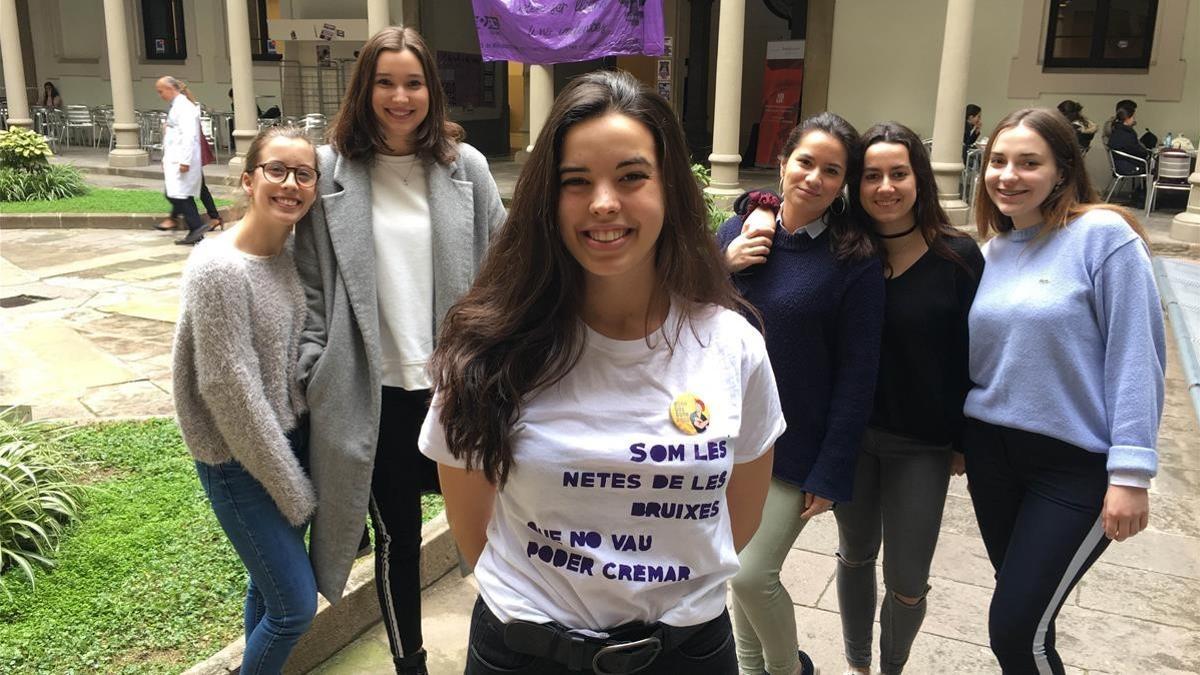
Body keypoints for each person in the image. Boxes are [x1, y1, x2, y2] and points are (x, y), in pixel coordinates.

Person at [420, 69, 784, 674]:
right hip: (525, 654)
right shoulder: (489, 347)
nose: (604, 203)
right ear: (547, 200)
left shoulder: (732, 344)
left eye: (632, 176)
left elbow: (740, 517)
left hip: (687, 655)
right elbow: (472, 529)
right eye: (576, 182)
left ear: (668, 187)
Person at [294, 26, 506, 675]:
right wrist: (312, 367)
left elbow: (506, 261)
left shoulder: (462, 168)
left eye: (412, 82)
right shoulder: (331, 170)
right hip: (373, 391)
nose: (399, 95)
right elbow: (305, 281)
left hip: (455, 386)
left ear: (430, 91)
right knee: (399, 538)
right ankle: (409, 662)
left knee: (494, 523)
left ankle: (506, 644)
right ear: (365, 88)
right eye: (385, 81)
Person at [966, 107, 1165, 674]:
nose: (1009, 175)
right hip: (992, 457)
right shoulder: (990, 252)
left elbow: (1136, 355)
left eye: (1030, 163)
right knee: (1029, 618)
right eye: (998, 161)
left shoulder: (1103, 236)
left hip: (1073, 466)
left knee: (1013, 631)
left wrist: (1131, 473)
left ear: (1062, 170)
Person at [718, 112, 885, 675]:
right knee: (732, 569)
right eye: (806, 162)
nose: (814, 178)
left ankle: (790, 670)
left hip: (796, 448)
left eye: (832, 171)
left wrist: (831, 469)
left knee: (751, 573)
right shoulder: (736, 233)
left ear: (843, 184)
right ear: (784, 161)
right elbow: (687, 316)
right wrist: (724, 265)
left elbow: (859, 372)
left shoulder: (851, 259)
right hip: (726, 440)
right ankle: (750, 669)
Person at [832, 122, 983, 675]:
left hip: (922, 445)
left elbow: (975, 356)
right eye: (871, 175)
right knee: (853, 555)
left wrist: (965, 442)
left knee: (908, 578)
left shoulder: (959, 258)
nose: (886, 187)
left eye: (899, 173)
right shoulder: (845, 251)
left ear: (919, 178)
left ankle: (892, 667)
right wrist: (752, 207)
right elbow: (788, 204)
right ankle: (858, 665)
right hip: (852, 441)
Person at [172, 125, 322, 674]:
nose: (290, 184)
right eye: (277, 170)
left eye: (303, 174)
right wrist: (296, 492)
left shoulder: (292, 255)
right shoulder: (218, 269)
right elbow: (229, 392)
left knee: (268, 591)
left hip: (289, 442)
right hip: (238, 459)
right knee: (294, 608)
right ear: (249, 179)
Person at [157, 81, 224, 233]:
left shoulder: (186, 107)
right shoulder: (178, 107)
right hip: (183, 153)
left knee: (191, 189)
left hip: (189, 152)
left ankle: (205, 221)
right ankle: (199, 220)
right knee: (189, 189)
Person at [154, 76, 208, 245]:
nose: (160, 95)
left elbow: (188, 136)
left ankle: (196, 227)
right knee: (179, 194)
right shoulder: (177, 106)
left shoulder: (184, 107)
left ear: (171, 89)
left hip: (182, 159)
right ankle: (193, 229)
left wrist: (185, 160)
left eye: (161, 91)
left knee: (179, 194)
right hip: (175, 157)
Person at [1107, 105, 1149, 177]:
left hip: (1120, 164)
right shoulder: (1126, 133)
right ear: (1127, 118)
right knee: (1153, 168)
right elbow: (1135, 149)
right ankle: (1146, 188)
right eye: (1133, 117)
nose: (1134, 120)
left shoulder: (1116, 130)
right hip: (1127, 167)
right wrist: (1147, 153)